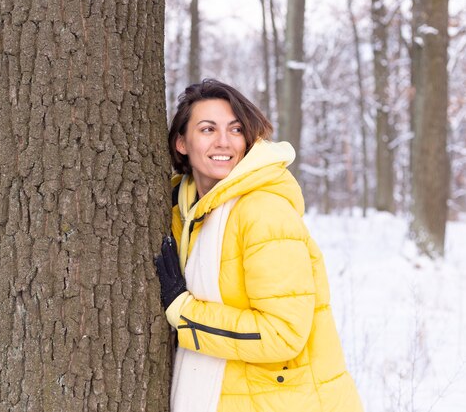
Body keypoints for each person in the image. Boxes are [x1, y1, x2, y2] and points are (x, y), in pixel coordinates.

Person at [154, 79, 364, 412]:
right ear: (182, 142)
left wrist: (186, 313)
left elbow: (282, 334)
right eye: (207, 129)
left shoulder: (264, 212)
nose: (224, 141)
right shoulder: (184, 211)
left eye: (236, 130)